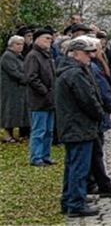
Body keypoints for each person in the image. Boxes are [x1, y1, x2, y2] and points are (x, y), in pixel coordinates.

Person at [54, 37, 105, 217]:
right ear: (75, 54)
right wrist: (100, 115)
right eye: (87, 53)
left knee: (72, 165)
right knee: (79, 167)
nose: (91, 56)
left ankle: (69, 200)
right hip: (78, 126)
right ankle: (75, 203)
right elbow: (88, 100)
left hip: (73, 125)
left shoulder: (68, 71)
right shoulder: (75, 74)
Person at [86, 37, 111, 199]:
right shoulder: (92, 67)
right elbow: (99, 89)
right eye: (98, 48)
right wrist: (107, 106)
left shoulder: (96, 64)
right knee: (95, 152)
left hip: (99, 114)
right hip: (95, 116)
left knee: (96, 151)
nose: (101, 49)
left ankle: (99, 182)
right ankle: (96, 183)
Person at [25, 26, 57, 167]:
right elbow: (31, 77)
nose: (49, 41)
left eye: (50, 38)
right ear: (38, 39)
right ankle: (36, 157)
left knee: (49, 131)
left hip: (50, 99)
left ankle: (46, 155)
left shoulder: (47, 55)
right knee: (39, 130)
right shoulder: (33, 56)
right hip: (39, 99)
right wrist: (44, 90)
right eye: (47, 38)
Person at [2, 35, 30, 142]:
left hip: (19, 88)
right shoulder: (7, 56)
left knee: (18, 111)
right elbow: (14, 72)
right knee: (9, 111)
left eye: (21, 44)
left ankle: (18, 134)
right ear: (11, 45)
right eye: (17, 44)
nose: (20, 46)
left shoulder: (19, 56)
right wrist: (26, 79)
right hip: (10, 88)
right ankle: (7, 134)